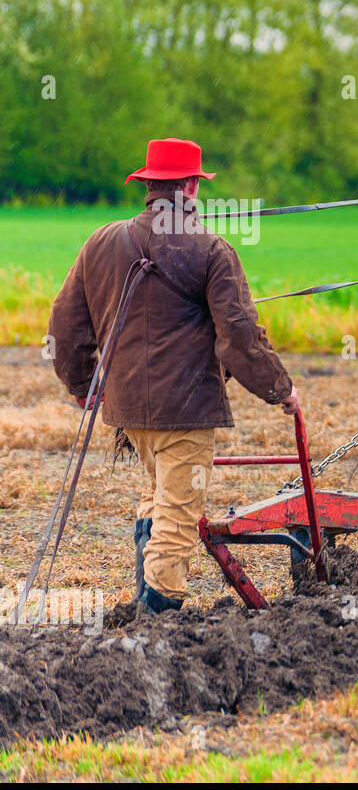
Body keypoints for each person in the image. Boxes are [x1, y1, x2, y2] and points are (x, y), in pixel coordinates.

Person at [48, 138, 300, 613]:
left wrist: (84, 388)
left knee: (157, 495)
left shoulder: (100, 242)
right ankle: (159, 619)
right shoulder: (211, 250)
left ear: (147, 185)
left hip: (126, 412)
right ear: (189, 188)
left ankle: (144, 603)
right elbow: (239, 336)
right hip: (186, 413)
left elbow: (64, 327)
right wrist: (280, 389)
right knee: (179, 517)